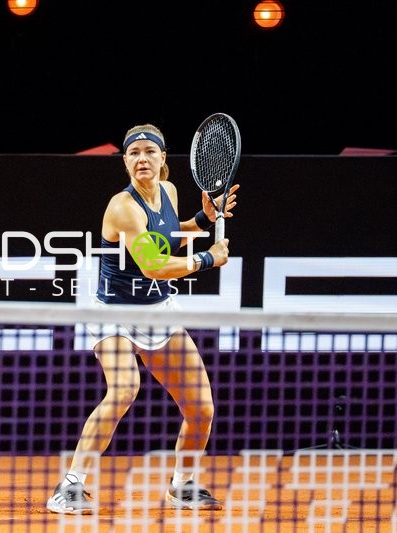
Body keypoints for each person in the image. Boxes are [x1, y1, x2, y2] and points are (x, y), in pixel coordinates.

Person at [46, 123, 239, 514]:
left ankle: (182, 484)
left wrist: (200, 222)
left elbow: (167, 233)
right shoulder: (122, 206)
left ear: (163, 159)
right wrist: (207, 258)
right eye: (134, 153)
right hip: (114, 315)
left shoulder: (167, 192)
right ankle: (69, 486)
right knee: (124, 388)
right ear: (125, 162)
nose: (142, 159)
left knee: (202, 408)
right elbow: (152, 265)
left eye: (150, 151)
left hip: (158, 312)